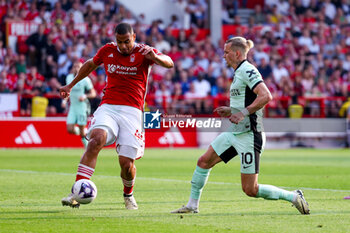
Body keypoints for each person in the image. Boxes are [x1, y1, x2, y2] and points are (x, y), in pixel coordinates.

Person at [171, 37, 310, 215]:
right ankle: (192, 205)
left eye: (226, 52)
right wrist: (231, 110)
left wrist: (242, 113)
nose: (223, 56)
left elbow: (266, 96)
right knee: (203, 161)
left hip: (250, 135)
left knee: (250, 189)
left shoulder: (248, 70)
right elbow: (248, 100)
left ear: (237, 53)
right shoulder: (238, 72)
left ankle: (293, 196)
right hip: (235, 133)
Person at [60, 23, 174, 209]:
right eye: (120, 42)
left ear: (134, 37)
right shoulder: (108, 50)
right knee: (96, 140)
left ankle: (128, 194)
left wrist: (155, 57)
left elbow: (169, 62)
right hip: (109, 107)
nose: (123, 46)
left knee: (126, 165)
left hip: (133, 112)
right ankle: (76, 192)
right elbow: (89, 65)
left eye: (127, 42)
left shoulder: (144, 51)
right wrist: (70, 85)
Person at [64, 61, 96, 147]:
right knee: (70, 129)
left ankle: (87, 149)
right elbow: (68, 91)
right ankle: (85, 131)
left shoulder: (85, 79)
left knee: (82, 132)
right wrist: (64, 101)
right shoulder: (69, 77)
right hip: (73, 107)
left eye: (78, 67)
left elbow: (93, 93)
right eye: (75, 66)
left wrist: (85, 96)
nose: (76, 68)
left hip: (82, 107)